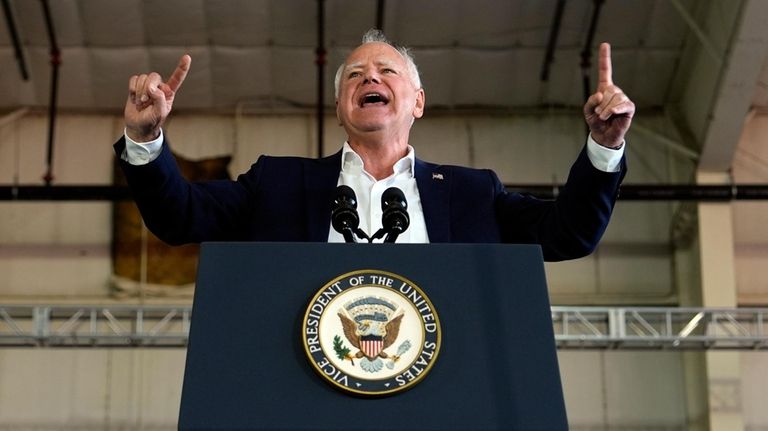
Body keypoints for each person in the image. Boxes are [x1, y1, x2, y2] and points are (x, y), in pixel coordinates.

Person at [114, 29, 633, 261]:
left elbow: (570, 235)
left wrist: (603, 146)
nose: (371, 77)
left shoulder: (474, 194)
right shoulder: (277, 184)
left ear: (418, 102)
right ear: (341, 107)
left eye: (387, 70)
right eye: (355, 75)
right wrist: (144, 137)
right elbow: (179, 217)